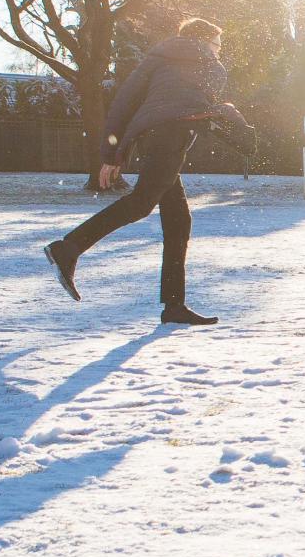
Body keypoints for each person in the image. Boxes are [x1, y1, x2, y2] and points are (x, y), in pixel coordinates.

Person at [43, 18, 251, 326]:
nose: (218, 51)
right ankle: (69, 247)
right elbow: (205, 104)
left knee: (178, 220)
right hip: (172, 138)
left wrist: (112, 154)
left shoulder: (158, 57)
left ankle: (173, 306)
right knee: (141, 203)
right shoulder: (209, 63)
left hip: (150, 138)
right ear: (206, 40)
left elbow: (124, 103)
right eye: (218, 44)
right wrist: (230, 114)